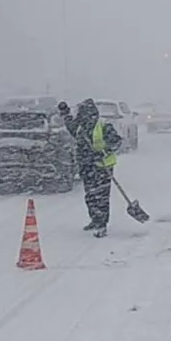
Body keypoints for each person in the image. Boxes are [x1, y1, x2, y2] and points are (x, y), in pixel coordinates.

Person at [58, 99, 122, 237]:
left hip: (102, 167)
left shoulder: (103, 126)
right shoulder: (81, 127)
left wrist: (104, 153)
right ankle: (95, 219)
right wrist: (65, 114)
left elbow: (116, 141)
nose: (79, 116)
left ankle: (102, 225)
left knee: (102, 197)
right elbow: (71, 127)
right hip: (86, 166)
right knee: (90, 195)